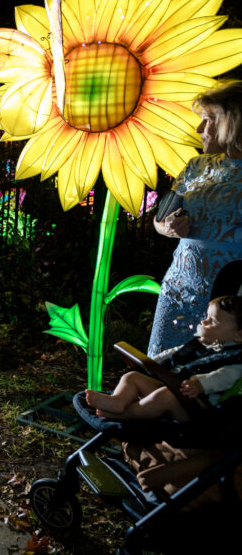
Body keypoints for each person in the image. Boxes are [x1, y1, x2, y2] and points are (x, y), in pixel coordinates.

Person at [149, 81, 242, 356]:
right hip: (178, 288)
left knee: (208, 373)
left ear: (233, 122)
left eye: (208, 120)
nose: (199, 130)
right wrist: (169, 228)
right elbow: (159, 220)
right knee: (161, 364)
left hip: (228, 301)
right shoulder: (195, 166)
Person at [87, 295, 242, 421]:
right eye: (206, 317)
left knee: (165, 396)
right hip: (173, 388)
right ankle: (117, 401)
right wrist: (151, 363)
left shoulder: (235, 358)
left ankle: (126, 414)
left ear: (238, 335)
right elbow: (173, 353)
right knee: (132, 377)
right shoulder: (203, 344)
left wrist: (201, 383)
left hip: (196, 409)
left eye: (212, 321)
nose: (204, 322)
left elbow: (226, 376)